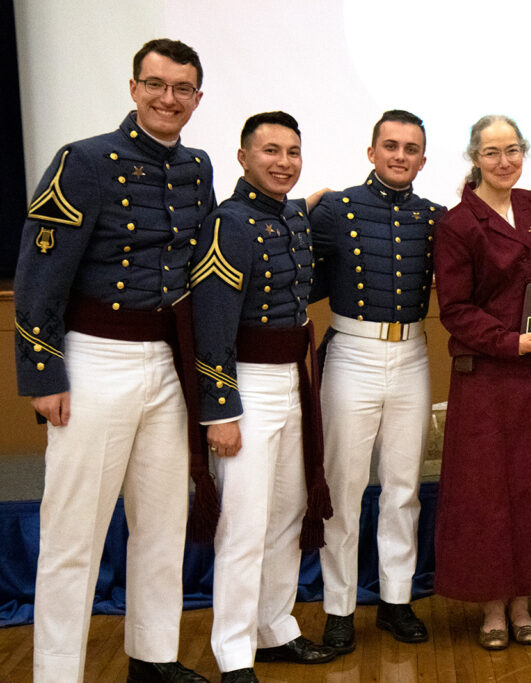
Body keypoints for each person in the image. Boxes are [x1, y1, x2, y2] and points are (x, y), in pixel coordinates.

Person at [13, 39, 211, 683]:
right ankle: (57, 672)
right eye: (156, 84)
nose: (168, 99)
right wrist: (43, 372)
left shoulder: (198, 167)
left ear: (197, 99)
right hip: (94, 360)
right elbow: (39, 273)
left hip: (165, 362)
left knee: (161, 522)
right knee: (73, 534)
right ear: (133, 88)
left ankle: (152, 658)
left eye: (182, 89)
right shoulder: (85, 160)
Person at [189, 111, 338, 682]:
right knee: (244, 526)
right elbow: (214, 325)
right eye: (271, 151)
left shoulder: (292, 218)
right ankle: (233, 651)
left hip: (292, 383)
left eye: (293, 152)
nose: (284, 162)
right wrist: (221, 411)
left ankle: (274, 627)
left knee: (284, 516)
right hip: (246, 386)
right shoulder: (229, 223)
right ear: (242, 157)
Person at [432, 115, 531, 650]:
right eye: (493, 152)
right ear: (474, 157)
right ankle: (493, 609)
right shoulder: (456, 223)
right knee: (488, 494)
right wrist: (507, 341)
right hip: (489, 375)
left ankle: (525, 602)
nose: (505, 161)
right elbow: (454, 309)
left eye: (513, 149)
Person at [310, 110, 444, 652]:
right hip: (351, 354)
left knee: (403, 488)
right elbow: (283, 249)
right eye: (390, 145)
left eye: (411, 149)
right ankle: (339, 608)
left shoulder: (435, 217)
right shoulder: (335, 208)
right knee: (342, 488)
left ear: (423, 159)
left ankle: (395, 599)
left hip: (412, 352)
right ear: (371, 152)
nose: (400, 156)